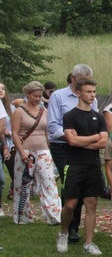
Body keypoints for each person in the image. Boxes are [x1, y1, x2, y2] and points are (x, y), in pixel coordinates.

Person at [55, 78, 107, 255]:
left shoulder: (98, 116)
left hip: (92, 164)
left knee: (91, 203)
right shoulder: (70, 116)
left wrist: (81, 141)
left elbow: (103, 142)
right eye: (88, 91)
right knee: (70, 204)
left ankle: (89, 242)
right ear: (79, 93)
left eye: (94, 92)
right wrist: (93, 138)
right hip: (74, 164)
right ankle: (63, 232)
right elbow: (71, 140)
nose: (92, 95)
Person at [48, 64, 98, 243]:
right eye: (82, 80)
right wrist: (71, 137)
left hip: (85, 147)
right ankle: (68, 227)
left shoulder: (92, 98)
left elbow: (97, 127)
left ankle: (73, 227)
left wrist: (82, 139)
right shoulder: (58, 96)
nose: (89, 91)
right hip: (63, 146)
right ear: (74, 79)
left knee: (85, 188)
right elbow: (53, 125)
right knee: (71, 184)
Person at [10, 81, 61, 226]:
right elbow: (15, 133)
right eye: (35, 96)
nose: (38, 99)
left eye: (40, 96)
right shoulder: (19, 111)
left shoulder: (44, 111)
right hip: (25, 150)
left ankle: (54, 215)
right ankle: (22, 216)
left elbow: (46, 131)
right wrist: (22, 153)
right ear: (27, 94)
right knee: (22, 184)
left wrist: (48, 147)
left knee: (48, 181)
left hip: (43, 150)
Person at [0, 81, 12, 213]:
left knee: (2, 178)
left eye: (3, 88)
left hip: (9, 143)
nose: (1, 91)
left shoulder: (10, 108)